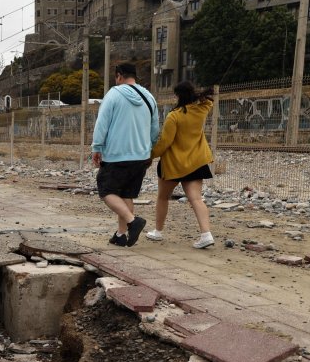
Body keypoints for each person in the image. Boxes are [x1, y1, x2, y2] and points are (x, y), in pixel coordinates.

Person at [90, 62, 160, 247]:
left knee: (107, 191)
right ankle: (121, 235)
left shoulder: (113, 94)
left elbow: (102, 124)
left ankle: (132, 221)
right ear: (134, 76)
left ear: (119, 76)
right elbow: (155, 130)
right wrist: (148, 149)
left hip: (117, 156)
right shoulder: (149, 97)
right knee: (126, 194)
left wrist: (97, 147)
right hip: (141, 156)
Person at [147, 81, 216, 249]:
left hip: (174, 164)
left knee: (163, 197)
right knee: (196, 199)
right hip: (196, 163)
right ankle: (206, 234)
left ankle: (158, 231)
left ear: (177, 96)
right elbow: (209, 101)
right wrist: (200, 96)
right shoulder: (201, 110)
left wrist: (149, 155)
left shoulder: (174, 115)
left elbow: (165, 142)